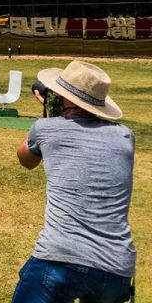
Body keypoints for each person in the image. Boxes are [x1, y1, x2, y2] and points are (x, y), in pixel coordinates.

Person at [12, 60, 136, 303]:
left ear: (67, 100)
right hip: (116, 266)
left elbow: (25, 160)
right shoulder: (125, 136)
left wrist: (49, 113)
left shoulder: (45, 128)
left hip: (59, 256)